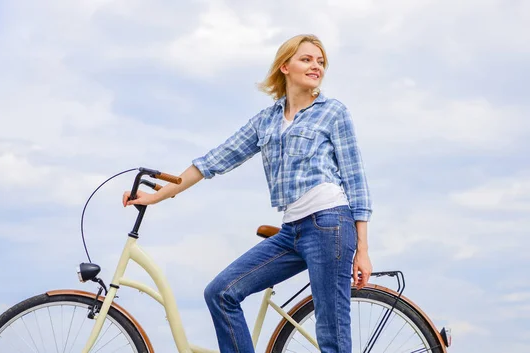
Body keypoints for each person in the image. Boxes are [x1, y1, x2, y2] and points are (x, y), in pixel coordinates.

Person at [123, 34, 372, 353]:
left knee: (331, 334)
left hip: (330, 225)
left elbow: (356, 179)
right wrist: (158, 194)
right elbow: (214, 160)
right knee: (221, 293)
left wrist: (362, 248)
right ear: (285, 66)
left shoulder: (333, 112)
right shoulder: (266, 121)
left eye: (320, 62)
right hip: (291, 232)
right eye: (306, 59)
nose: (316, 66)